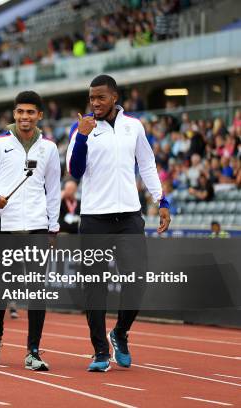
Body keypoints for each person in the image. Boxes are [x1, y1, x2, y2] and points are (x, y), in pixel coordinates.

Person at [66, 74, 170, 372]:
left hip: (129, 217)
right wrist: (83, 135)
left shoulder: (133, 126)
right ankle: (100, 350)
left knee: (136, 281)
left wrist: (160, 200)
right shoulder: (81, 127)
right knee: (94, 287)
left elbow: (147, 163)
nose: (94, 103)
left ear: (114, 97)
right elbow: (74, 171)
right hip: (94, 218)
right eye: (91, 98)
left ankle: (120, 332)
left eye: (100, 97)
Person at [0, 90, 61, 371]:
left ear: (39, 115)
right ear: (14, 114)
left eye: (30, 113)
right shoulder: (0, 145)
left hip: (37, 226)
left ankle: (33, 351)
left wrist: (53, 225)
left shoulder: (48, 148)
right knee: (3, 286)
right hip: (5, 226)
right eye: (20, 112)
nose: (25, 117)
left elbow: (54, 189)